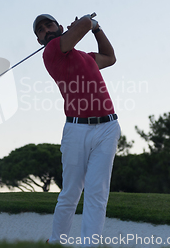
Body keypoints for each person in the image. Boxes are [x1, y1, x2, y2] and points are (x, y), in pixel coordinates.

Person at [33, 13, 121, 247]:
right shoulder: (50, 52)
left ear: (59, 26)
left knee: (97, 193)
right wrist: (87, 23)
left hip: (107, 128)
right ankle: (56, 241)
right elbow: (83, 24)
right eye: (40, 30)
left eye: (48, 25)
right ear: (40, 40)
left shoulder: (86, 57)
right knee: (71, 193)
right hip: (76, 130)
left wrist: (96, 29)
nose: (46, 30)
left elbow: (110, 58)